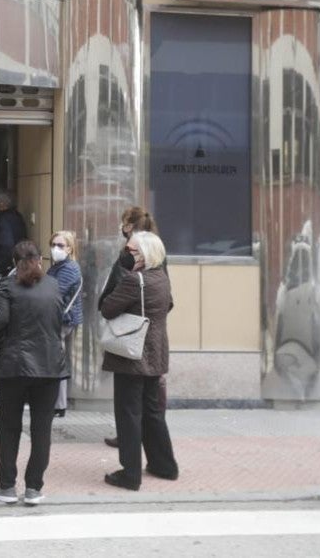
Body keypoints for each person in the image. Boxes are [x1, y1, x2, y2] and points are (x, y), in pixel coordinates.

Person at [0, 240, 68, 506]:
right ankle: (34, 488)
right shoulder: (53, 285)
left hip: (14, 366)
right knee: (42, 429)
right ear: (40, 260)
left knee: (9, 427)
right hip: (50, 367)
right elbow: (58, 318)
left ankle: (6, 486)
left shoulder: (7, 286)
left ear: (14, 262)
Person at [98, 230, 179, 492]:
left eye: (131, 250)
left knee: (129, 414)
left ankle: (130, 474)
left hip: (132, 355)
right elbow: (167, 307)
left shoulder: (135, 281)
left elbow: (107, 308)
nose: (125, 253)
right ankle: (164, 465)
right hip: (155, 353)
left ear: (144, 254)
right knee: (153, 412)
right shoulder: (161, 278)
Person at [101, 206, 165, 447]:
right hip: (146, 333)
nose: (121, 227)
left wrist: (136, 315)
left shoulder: (136, 258)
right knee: (144, 400)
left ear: (129, 225)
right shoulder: (145, 256)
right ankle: (159, 460)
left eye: (123, 223)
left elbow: (117, 296)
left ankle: (131, 453)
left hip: (136, 333)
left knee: (134, 401)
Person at [47, 230, 83, 417]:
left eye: (60, 245)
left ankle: (59, 405)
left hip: (62, 320)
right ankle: (56, 403)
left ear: (70, 248)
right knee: (56, 358)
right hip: (58, 318)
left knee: (57, 360)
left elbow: (55, 294)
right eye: (53, 245)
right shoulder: (57, 266)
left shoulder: (68, 268)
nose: (55, 249)